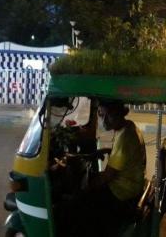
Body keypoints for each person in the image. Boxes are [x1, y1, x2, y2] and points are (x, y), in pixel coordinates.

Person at [60, 101, 146, 236]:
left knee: (80, 204)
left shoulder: (124, 137)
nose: (104, 120)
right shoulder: (128, 126)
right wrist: (104, 151)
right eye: (101, 114)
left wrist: (86, 188)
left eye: (109, 115)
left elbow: (107, 176)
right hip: (130, 183)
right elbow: (123, 155)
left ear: (120, 113)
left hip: (123, 190)